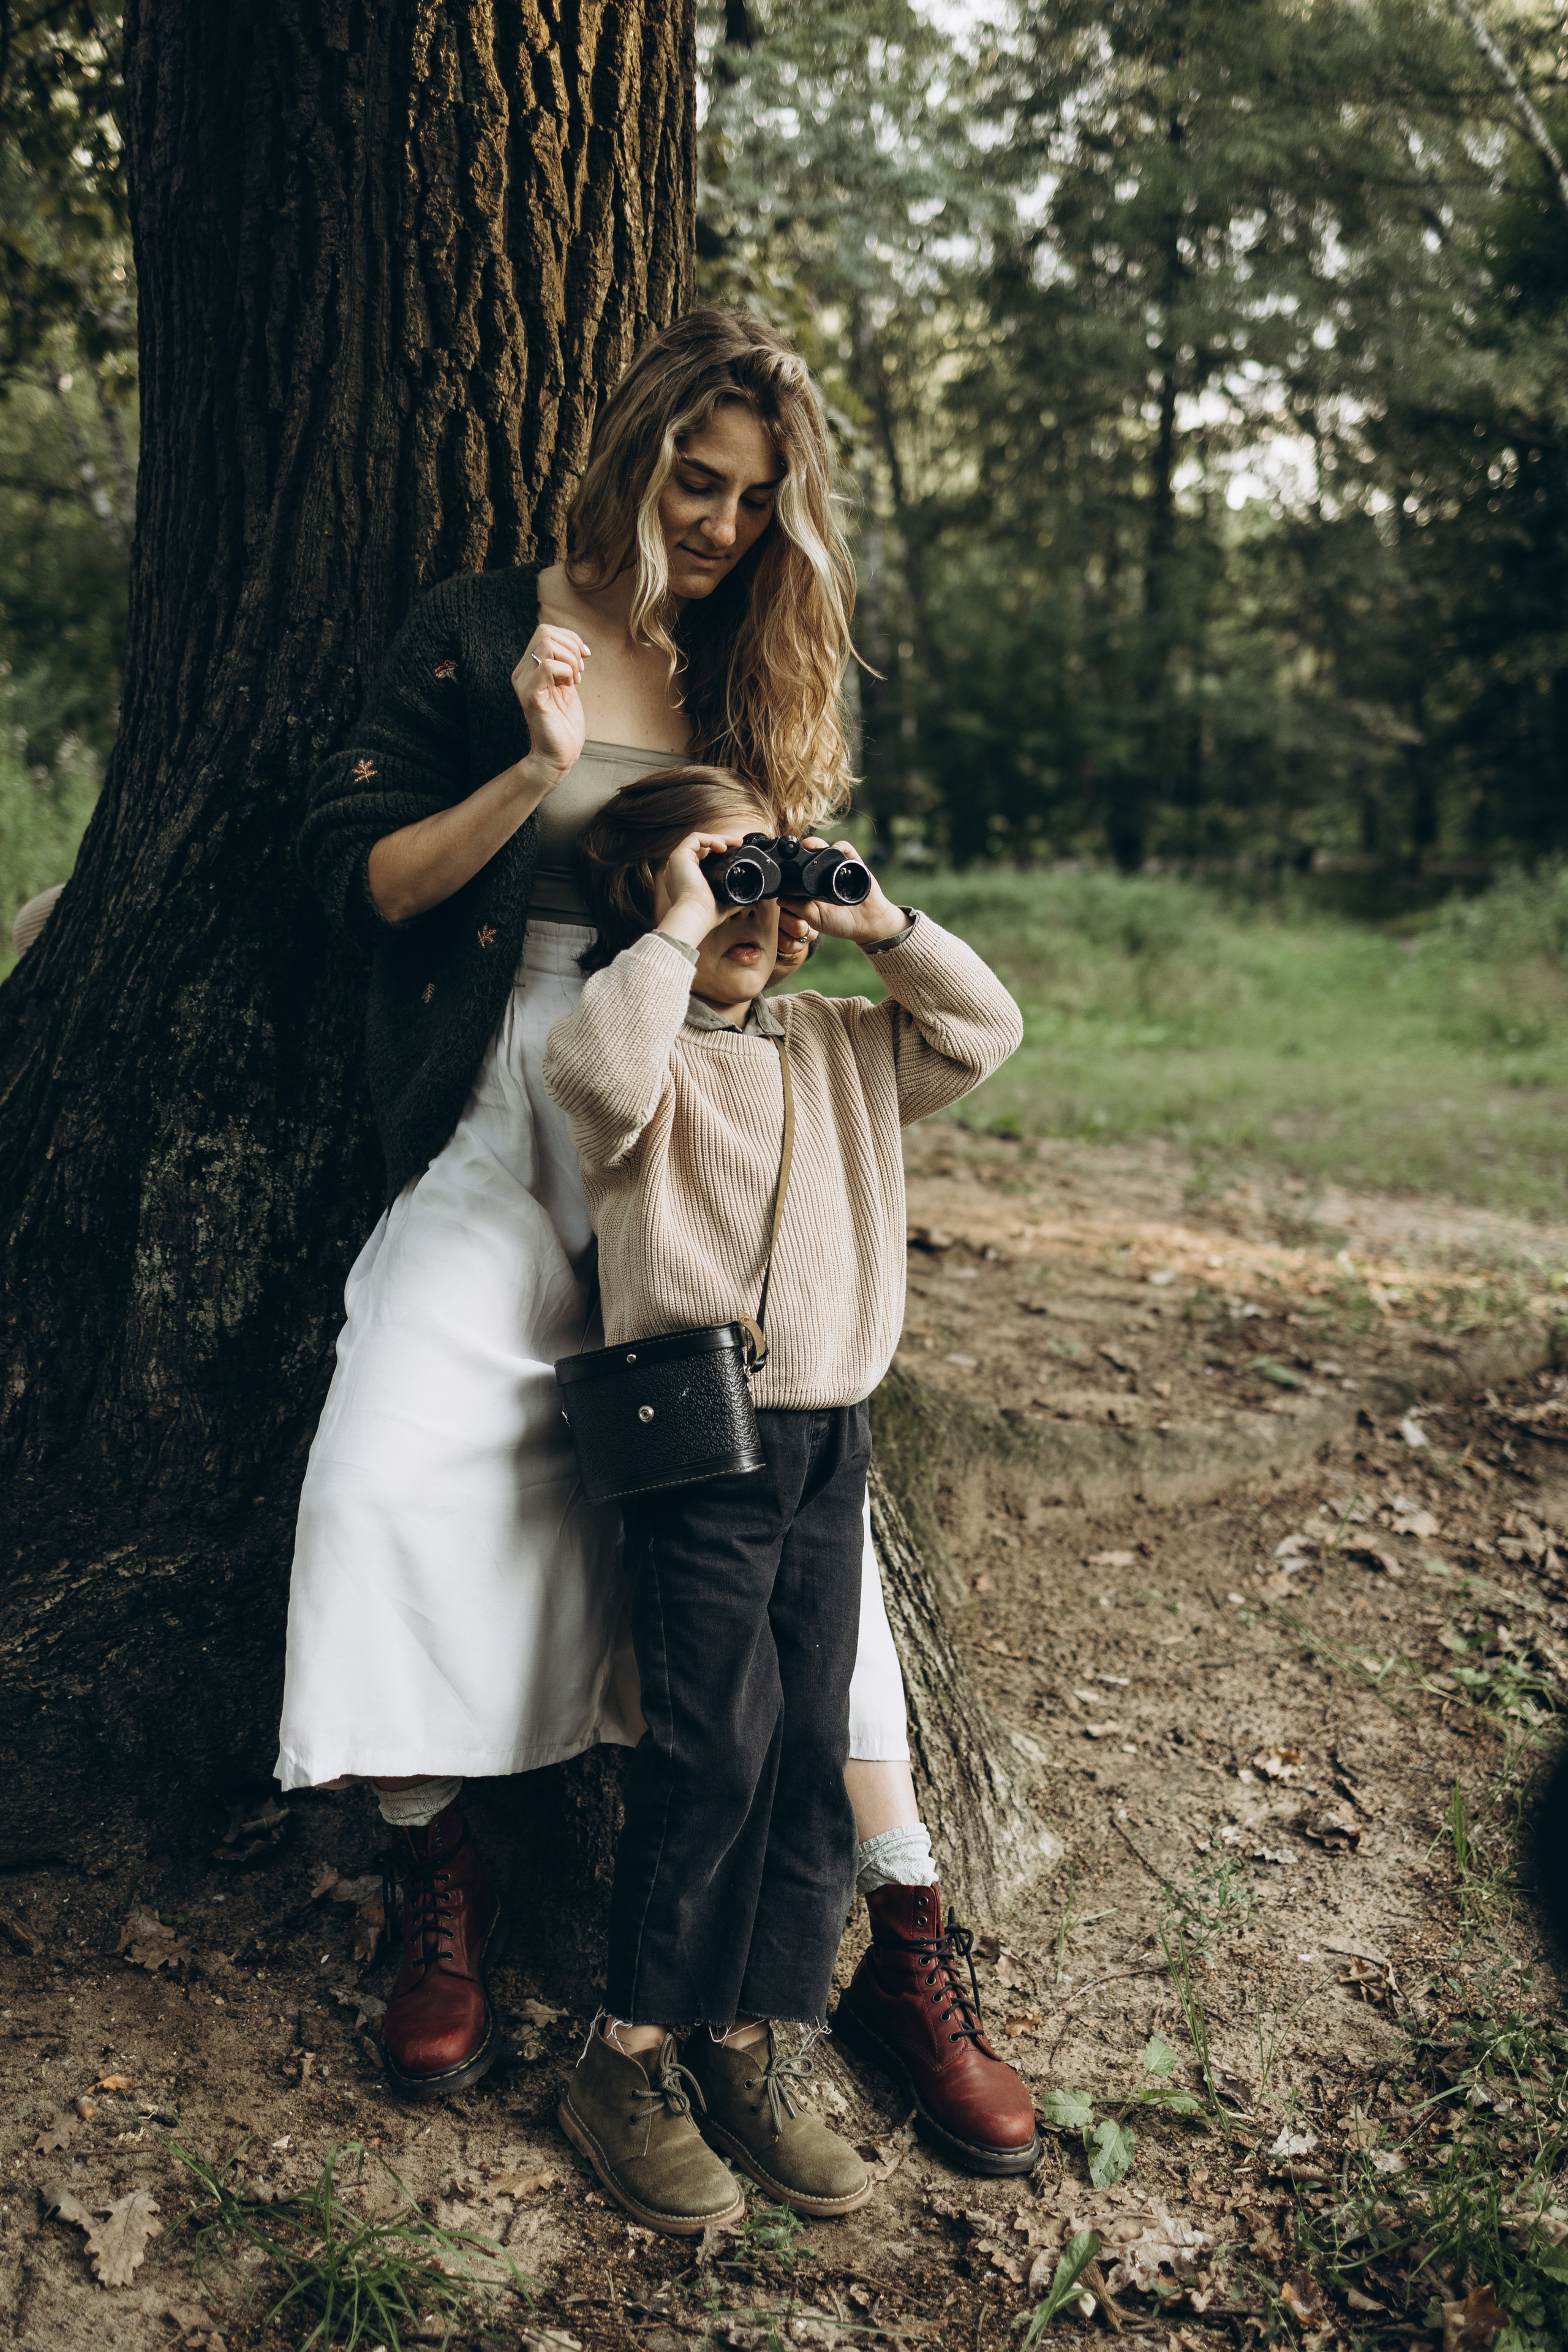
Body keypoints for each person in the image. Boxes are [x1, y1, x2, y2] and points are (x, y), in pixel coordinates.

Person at [276, 313, 1035, 2168]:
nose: (713, 524)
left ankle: (904, 1934)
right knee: (390, 1455)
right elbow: (356, 881)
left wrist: (828, 922)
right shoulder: (483, 626)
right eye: (693, 482)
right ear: (628, 458)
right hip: (511, 1095)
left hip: (707, 1114)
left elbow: (864, 978)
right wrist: (534, 771)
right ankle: (429, 1865)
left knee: (792, 1527)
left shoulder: (757, 657)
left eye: (753, 501)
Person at [541, 763, 1025, 2231]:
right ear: (654, 893)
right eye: (720, 866)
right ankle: (624, 2054)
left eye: (774, 870)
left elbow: (983, 1031)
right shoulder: (640, 1042)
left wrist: (876, 915)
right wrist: (681, 926)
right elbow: (595, 1082)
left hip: (829, 1441)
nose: (761, 897)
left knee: (812, 1741)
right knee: (715, 1747)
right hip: (699, 1442)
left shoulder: (843, 1044)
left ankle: (750, 2040)